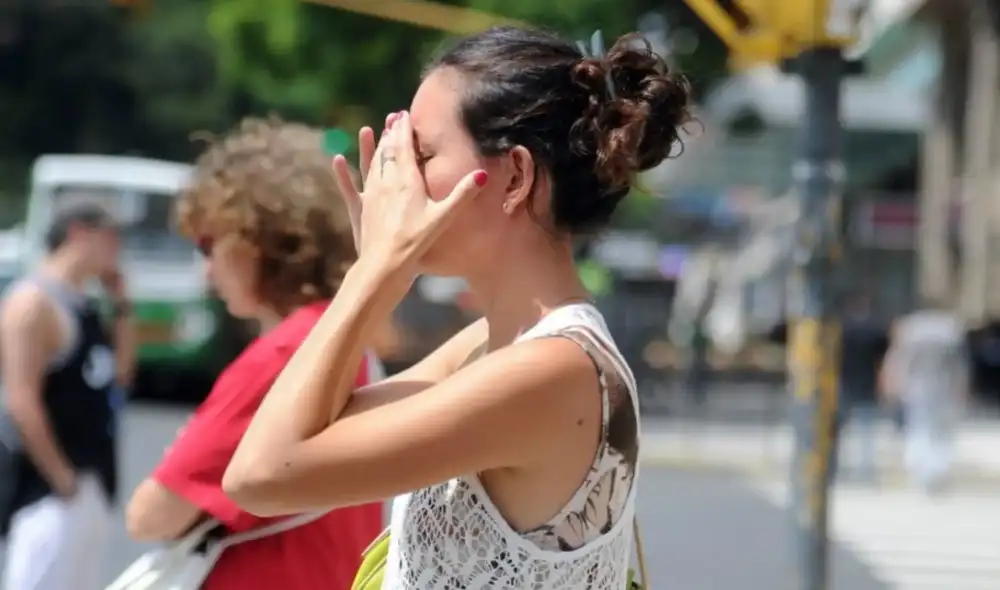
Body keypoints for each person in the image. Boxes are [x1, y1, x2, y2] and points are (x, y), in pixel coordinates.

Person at [222, 27, 691, 589]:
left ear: (515, 177)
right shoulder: (488, 347)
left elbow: (261, 476)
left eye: (421, 154)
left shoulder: (553, 371)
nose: (397, 179)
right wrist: (377, 271)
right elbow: (317, 428)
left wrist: (374, 272)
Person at [124, 118, 384, 590]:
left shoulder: (285, 355)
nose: (206, 271)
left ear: (259, 238)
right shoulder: (343, 336)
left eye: (209, 245)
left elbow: (151, 514)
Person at [0, 203, 135, 590]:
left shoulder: (85, 303)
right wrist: (62, 478)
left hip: (92, 478)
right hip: (47, 489)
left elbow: (121, 374)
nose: (117, 250)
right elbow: (21, 399)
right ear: (78, 234)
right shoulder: (33, 303)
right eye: (110, 238)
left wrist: (122, 304)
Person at [881, 298, 969, 493]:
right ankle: (936, 470)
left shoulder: (910, 328)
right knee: (939, 431)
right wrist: (962, 388)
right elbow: (960, 366)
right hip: (943, 387)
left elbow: (898, 360)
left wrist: (893, 384)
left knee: (919, 428)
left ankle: (923, 470)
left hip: (917, 387)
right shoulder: (950, 329)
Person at [834, 292, 887, 482]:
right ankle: (865, 469)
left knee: (841, 430)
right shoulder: (874, 330)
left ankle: (841, 466)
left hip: (846, 384)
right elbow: (882, 358)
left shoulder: (842, 330)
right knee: (865, 430)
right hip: (865, 384)